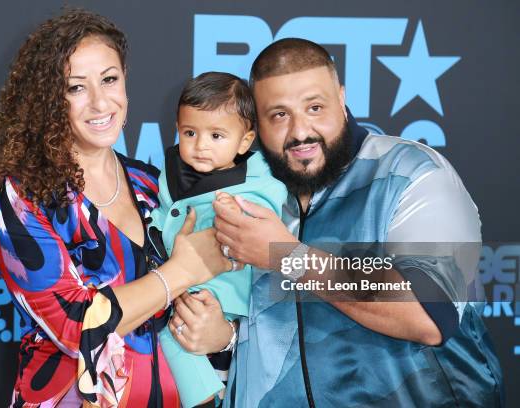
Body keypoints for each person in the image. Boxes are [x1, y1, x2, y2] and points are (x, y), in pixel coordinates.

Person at [170, 38, 504, 407]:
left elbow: (428, 311)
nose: (300, 131)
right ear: (254, 126)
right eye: (279, 115)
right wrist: (225, 337)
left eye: (315, 107)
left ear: (341, 98)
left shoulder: (410, 173)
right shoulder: (251, 194)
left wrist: (286, 256)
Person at [0, 10, 235, 407]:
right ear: (48, 100)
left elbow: (217, 292)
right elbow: (76, 326)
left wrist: (223, 334)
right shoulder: (21, 195)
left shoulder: (153, 183)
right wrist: (182, 271)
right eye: (76, 87)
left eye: (110, 79)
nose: (101, 102)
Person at [150, 72, 287, 407]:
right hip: (177, 283)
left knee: (174, 337)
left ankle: (208, 396)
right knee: (169, 337)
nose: (200, 145)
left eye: (216, 135)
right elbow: (162, 211)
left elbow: (268, 213)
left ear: (244, 141)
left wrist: (236, 212)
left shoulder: (255, 181)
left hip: (223, 296)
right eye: (189, 133)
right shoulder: (170, 172)